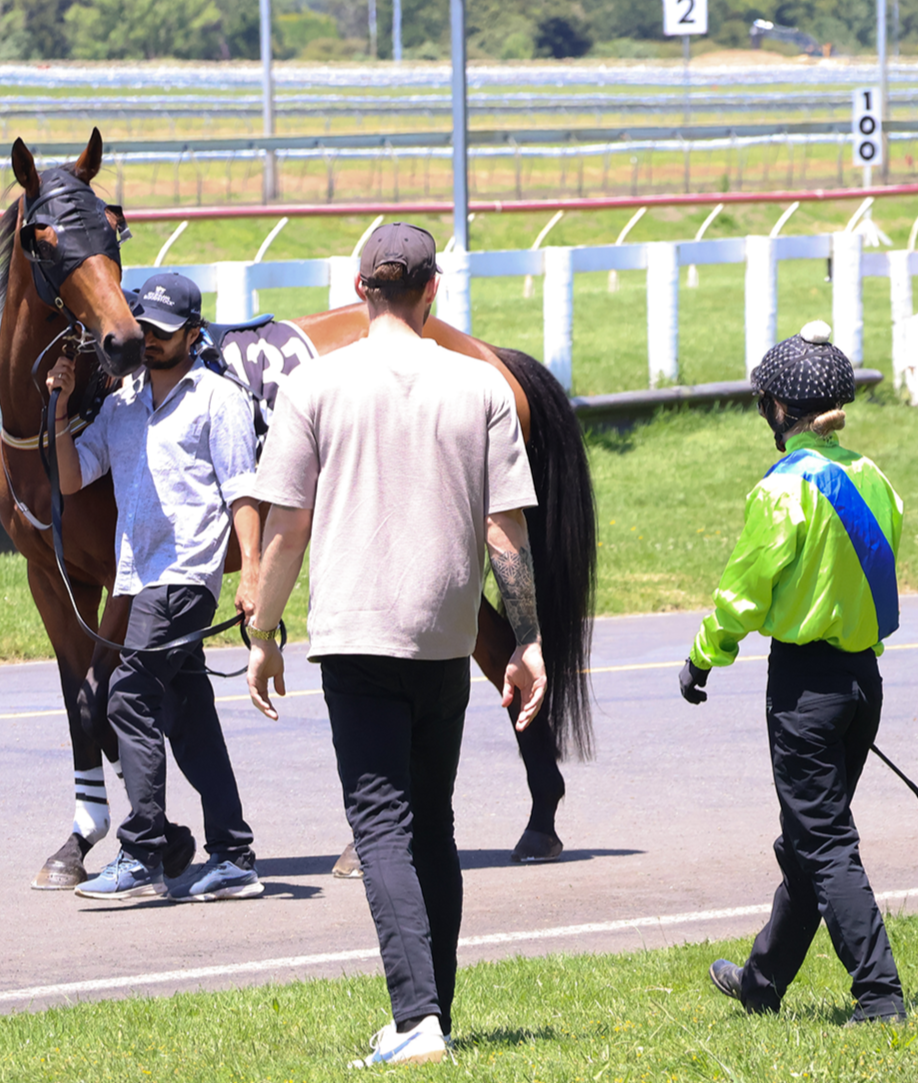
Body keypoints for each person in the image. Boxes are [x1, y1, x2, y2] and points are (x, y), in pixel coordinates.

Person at [244, 223, 548, 1068]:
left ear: (359, 288)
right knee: (432, 824)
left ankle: (416, 1018)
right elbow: (507, 533)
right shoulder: (480, 385)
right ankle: (431, 1010)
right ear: (432, 290)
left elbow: (286, 527)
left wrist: (263, 632)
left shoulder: (314, 384)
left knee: (380, 824)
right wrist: (527, 639)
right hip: (445, 637)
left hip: (355, 634)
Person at [680, 320, 907, 1025]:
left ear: (778, 409)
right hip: (863, 683)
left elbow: (743, 594)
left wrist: (702, 656)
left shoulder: (783, 488)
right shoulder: (874, 478)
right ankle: (763, 980)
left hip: (805, 689)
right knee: (809, 839)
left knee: (825, 843)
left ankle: (879, 995)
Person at [47, 271, 264, 904]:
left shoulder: (219, 399)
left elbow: (244, 494)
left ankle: (143, 854)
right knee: (189, 719)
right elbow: (71, 478)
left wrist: (252, 573)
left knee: (127, 696)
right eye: (144, 328)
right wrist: (60, 407)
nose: (150, 340)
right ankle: (233, 856)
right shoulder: (121, 406)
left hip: (184, 577)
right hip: (141, 579)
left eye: (165, 332)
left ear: (194, 334)